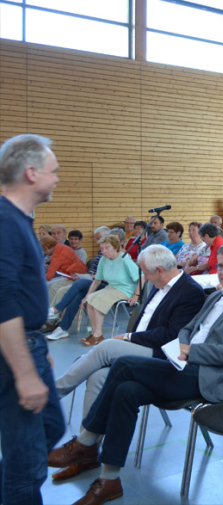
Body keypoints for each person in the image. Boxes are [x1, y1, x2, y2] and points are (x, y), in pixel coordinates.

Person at [49, 244, 223, 505]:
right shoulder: (215, 296)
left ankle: (86, 441)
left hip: (209, 377)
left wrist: (191, 352)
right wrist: (181, 348)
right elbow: (187, 329)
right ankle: (109, 479)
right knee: (125, 391)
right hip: (181, 364)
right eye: (220, 265)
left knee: (124, 365)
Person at [52, 245, 205, 478]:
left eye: (146, 273)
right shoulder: (159, 284)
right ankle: (88, 450)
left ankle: (54, 393)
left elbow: (170, 335)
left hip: (160, 355)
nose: (144, 278)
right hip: (140, 346)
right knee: (97, 376)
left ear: (161, 270)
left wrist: (129, 337)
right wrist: (131, 337)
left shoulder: (190, 292)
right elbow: (146, 320)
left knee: (107, 346)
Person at [0, 134, 65, 504]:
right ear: (31, 173)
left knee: (51, 426)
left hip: (30, 343)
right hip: (17, 350)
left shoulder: (20, 220)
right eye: (52, 171)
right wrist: (25, 371)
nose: (57, 178)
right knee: (26, 466)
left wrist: (38, 347)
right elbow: (2, 301)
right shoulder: (6, 222)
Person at [81, 235, 142, 347]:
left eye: (107, 248)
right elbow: (96, 281)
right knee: (89, 300)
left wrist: (136, 295)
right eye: (102, 248)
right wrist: (87, 295)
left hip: (125, 289)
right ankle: (95, 333)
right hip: (111, 288)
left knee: (99, 299)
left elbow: (141, 276)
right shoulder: (103, 260)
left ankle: (98, 335)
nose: (104, 251)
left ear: (115, 247)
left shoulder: (124, 258)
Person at [41, 236, 88, 305]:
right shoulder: (61, 247)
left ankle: (52, 311)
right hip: (76, 274)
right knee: (48, 284)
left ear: (47, 248)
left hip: (76, 277)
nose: (44, 253)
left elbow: (48, 277)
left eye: (44, 250)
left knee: (51, 286)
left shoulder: (57, 255)